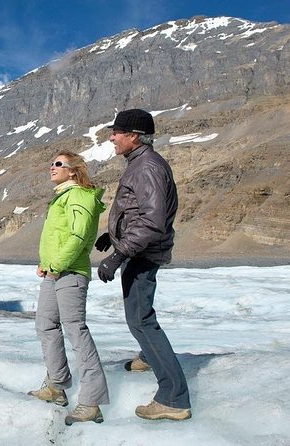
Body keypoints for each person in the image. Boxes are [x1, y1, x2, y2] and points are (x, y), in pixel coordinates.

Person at [96, 108, 192, 421]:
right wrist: (111, 236)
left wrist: (118, 254)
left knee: (141, 320)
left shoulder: (147, 167)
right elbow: (137, 212)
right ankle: (148, 356)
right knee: (140, 316)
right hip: (138, 251)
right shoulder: (140, 163)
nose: (112, 137)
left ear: (134, 136)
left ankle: (173, 398)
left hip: (142, 254)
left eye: (117, 132)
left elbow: (151, 222)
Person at [28, 151, 109, 426]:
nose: (52, 167)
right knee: (45, 324)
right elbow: (59, 235)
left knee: (76, 330)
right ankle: (57, 385)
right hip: (55, 272)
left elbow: (79, 235)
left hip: (71, 272)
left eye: (59, 164)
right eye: (51, 163)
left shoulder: (80, 196)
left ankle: (91, 402)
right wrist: (46, 263)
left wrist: (58, 263)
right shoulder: (62, 196)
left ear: (73, 171)